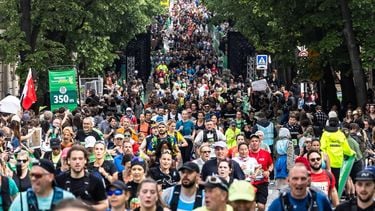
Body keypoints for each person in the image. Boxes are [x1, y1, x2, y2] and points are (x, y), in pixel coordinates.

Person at [56, 145, 108, 210]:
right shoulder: (59, 180)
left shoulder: (95, 180)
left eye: (80, 159)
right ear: (68, 160)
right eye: (74, 159)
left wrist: (88, 208)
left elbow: (105, 204)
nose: (77, 162)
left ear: (85, 160)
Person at [10, 159, 75, 210]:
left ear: (50, 177)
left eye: (38, 175)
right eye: (32, 175)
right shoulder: (21, 200)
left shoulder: (67, 199)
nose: (33, 179)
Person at [268, 164, 333, 211]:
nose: (299, 183)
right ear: (288, 181)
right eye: (295, 179)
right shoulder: (278, 204)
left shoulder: (320, 200)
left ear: (309, 181)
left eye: (303, 178)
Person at [320, 117, 355, 190]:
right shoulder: (341, 134)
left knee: (327, 180)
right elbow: (346, 149)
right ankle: (335, 198)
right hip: (338, 161)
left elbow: (322, 147)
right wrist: (352, 153)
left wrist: (324, 158)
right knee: (335, 181)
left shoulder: (325, 134)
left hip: (327, 162)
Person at [248, 134, 273, 211]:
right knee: (251, 206)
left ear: (259, 142)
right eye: (252, 141)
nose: (254, 143)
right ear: (249, 143)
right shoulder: (247, 154)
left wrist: (268, 171)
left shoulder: (266, 153)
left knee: (261, 206)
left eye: (256, 141)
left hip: (262, 182)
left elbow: (271, 164)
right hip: (250, 183)